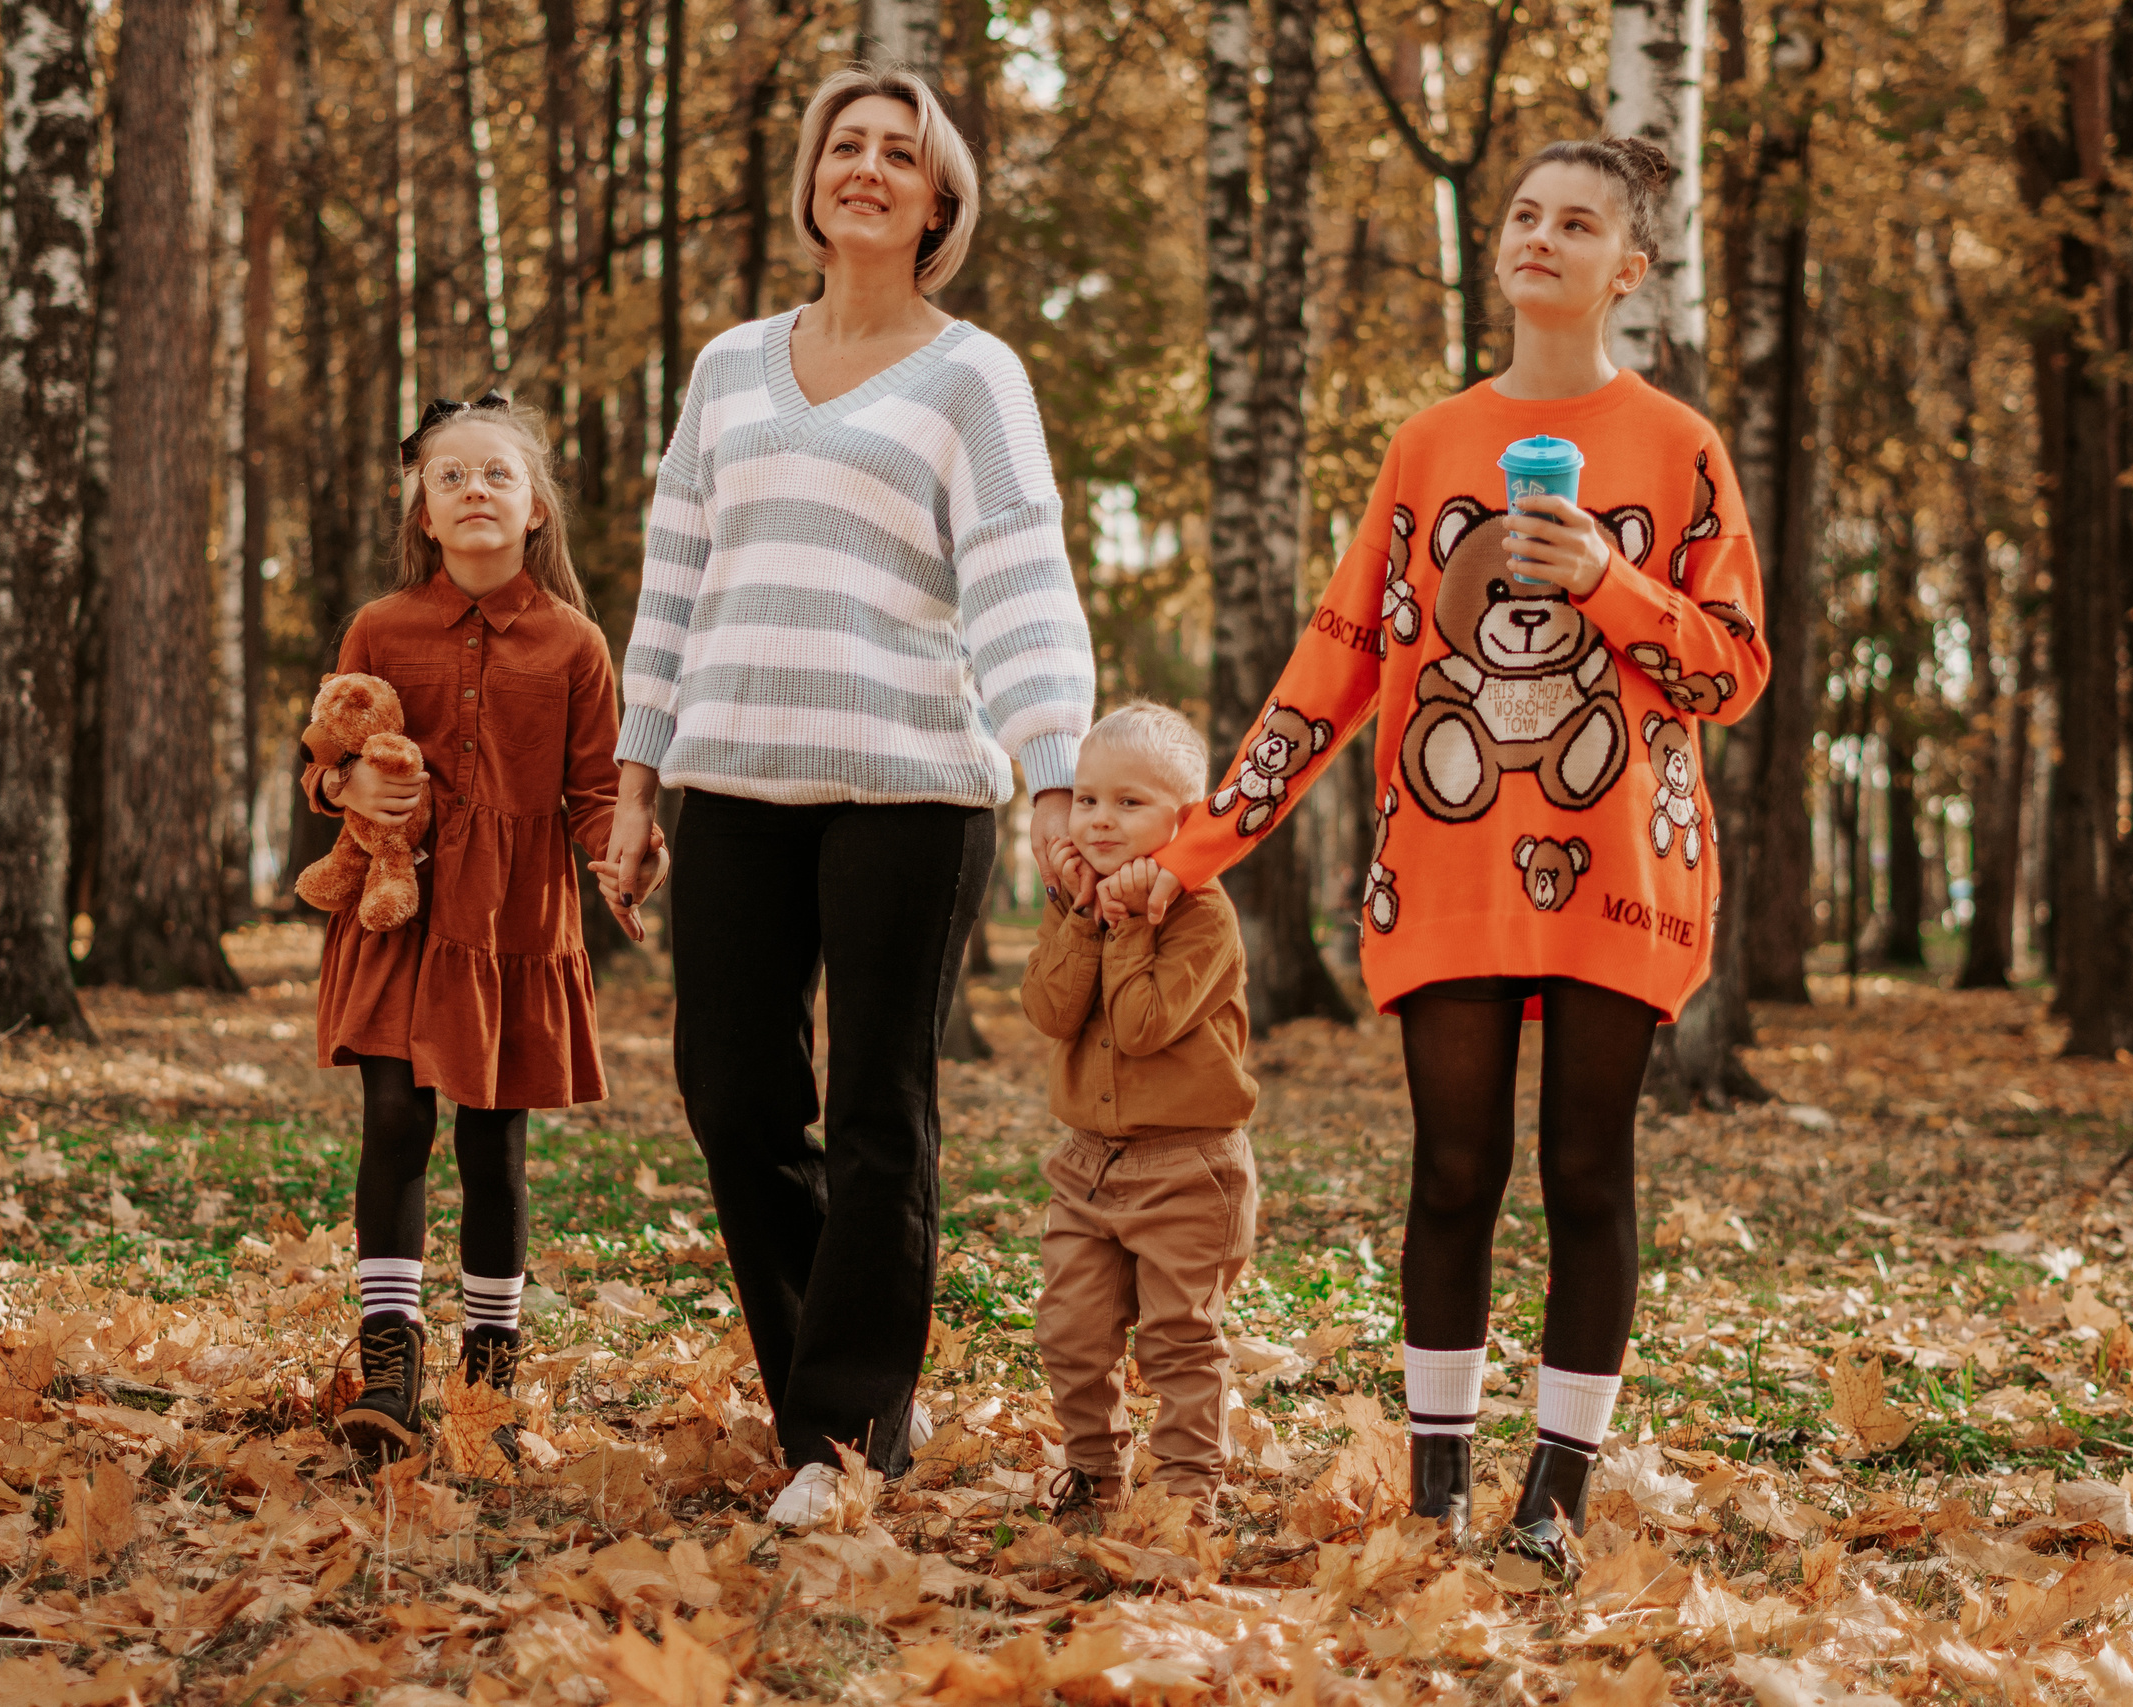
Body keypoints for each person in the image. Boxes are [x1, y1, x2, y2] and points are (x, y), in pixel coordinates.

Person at [1144, 136, 1770, 1570]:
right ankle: (1437, 1492)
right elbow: (1341, 653)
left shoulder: (1678, 447)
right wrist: (1199, 843)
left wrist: (1607, 581)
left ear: (1632, 266)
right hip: (1450, 854)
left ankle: (1554, 1492)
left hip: (1622, 859)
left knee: (1588, 1168)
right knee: (1452, 1167)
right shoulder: (1427, 446)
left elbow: (1731, 671)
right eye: (1525, 214)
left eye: (1579, 222)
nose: (1541, 237)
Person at [596, 65, 1096, 1528]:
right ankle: (865, 1380)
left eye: (899, 152)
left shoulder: (971, 375)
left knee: (882, 1105)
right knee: (733, 1094)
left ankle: (837, 1439)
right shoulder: (727, 366)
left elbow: (1018, 579)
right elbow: (672, 582)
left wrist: (1054, 766)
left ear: (940, 199)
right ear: (813, 183)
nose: (866, 168)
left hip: (911, 786)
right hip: (731, 777)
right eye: (844, 147)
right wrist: (634, 784)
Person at [303, 392, 646, 1461]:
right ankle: (391, 1364)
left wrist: (622, 852)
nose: (474, 492)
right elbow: (325, 754)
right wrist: (341, 787)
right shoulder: (380, 625)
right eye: (449, 478)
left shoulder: (575, 643)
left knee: (493, 1145)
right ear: (424, 512)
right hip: (396, 913)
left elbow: (596, 787)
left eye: (495, 475)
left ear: (535, 505)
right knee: (395, 1120)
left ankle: (489, 1372)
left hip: (510, 921)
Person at [1020, 702, 1259, 1526]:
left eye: (1129, 803)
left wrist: (1127, 924)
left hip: (1190, 1168)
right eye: (1087, 800)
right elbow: (1051, 1011)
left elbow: (1143, 1024)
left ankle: (1188, 1495)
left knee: (1178, 1341)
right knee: (1070, 1330)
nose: (1100, 820)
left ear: (1185, 818)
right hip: (1086, 1163)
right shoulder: (1074, 900)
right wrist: (1086, 918)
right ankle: (1093, 1475)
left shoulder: (1203, 914)